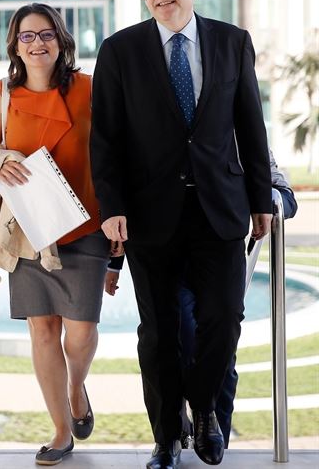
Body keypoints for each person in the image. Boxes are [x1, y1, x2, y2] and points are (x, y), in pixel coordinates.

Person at [91, 0, 272, 469]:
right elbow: (105, 139)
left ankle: (206, 409)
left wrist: (261, 199)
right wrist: (112, 207)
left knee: (225, 317)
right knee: (159, 333)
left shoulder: (232, 42)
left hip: (220, 208)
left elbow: (251, 126)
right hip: (150, 214)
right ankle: (167, 437)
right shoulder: (119, 50)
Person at [0, 2, 109, 466]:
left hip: (86, 225)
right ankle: (60, 431)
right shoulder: (2, 94)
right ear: (15, 45)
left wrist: (119, 224)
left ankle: (76, 386)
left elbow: (115, 155)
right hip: (29, 231)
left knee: (81, 331)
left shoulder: (91, 88)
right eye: (27, 36)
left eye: (46, 34)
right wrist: (1, 163)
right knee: (42, 330)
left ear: (61, 40)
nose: (38, 43)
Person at [104, 150, 298, 448]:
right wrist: (114, 263)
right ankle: (175, 431)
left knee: (221, 351)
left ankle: (214, 438)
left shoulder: (237, 134)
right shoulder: (158, 131)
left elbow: (283, 193)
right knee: (177, 336)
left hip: (220, 252)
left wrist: (266, 199)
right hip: (166, 250)